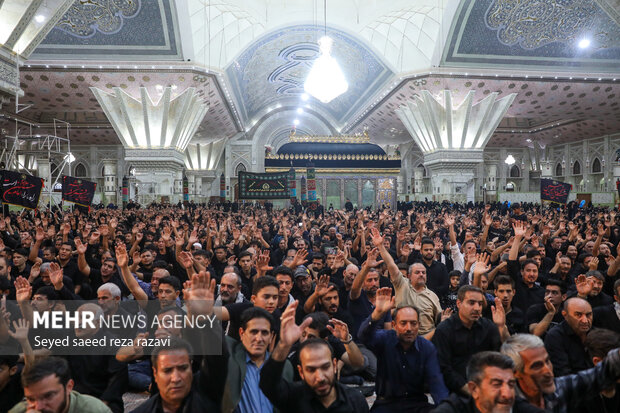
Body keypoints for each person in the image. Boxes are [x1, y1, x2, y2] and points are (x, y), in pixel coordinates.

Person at [130, 271, 228, 413]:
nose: (176, 378)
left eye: (182, 368)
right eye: (167, 370)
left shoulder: (207, 396)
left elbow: (217, 359)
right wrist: (135, 347)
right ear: (155, 374)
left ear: (191, 366)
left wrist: (206, 318)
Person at [259, 301, 369, 412]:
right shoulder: (293, 398)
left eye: (325, 367)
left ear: (334, 365)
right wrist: (284, 345)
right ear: (301, 372)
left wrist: (347, 341)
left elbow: (359, 363)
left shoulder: (355, 401)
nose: (320, 377)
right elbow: (268, 384)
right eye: (311, 370)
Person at [358, 287, 448, 412]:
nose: (409, 328)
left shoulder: (427, 348)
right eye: (403, 323)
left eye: (413, 323)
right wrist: (376, 314)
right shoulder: (385, 339)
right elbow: (363, 336)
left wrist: (445, 407)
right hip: (386, 404)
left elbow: (436, 383)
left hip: (416, 403)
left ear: (419, 325)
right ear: (394, 325)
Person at [501, 333, 620, 413]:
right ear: (516, 373)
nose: (547, 370)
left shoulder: (558, 390)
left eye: (547, 361)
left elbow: (601, 373)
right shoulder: (504, 406)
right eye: (537, 366)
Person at [432, 285, 504, 395]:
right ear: (458, 303)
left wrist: (500, 327)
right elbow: (444, 368)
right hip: (457, 391)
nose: (477, 308)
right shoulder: (444, 330)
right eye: (471, 303)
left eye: (480, 304)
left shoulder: (489, 327)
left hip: (487, 387)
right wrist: (467, 389)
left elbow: (498, 358)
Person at [431, 351, 544, 413]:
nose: (507, 394)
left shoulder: (518, 406)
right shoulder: (453, 409)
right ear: (474, 389)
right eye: (497, 384)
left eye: (511, 385)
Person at [9, 357, 112, 413]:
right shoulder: (22, 410)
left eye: (48, 396)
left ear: (69, 387)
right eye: (31, 399)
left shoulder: (94, 409)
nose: (38, 406)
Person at [544, 296, 593, 376]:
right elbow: (563, 373)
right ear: (565, 314)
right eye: (578, 315)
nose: (585, 320)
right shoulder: (555, 336)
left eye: (588, 315)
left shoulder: (595, 332)